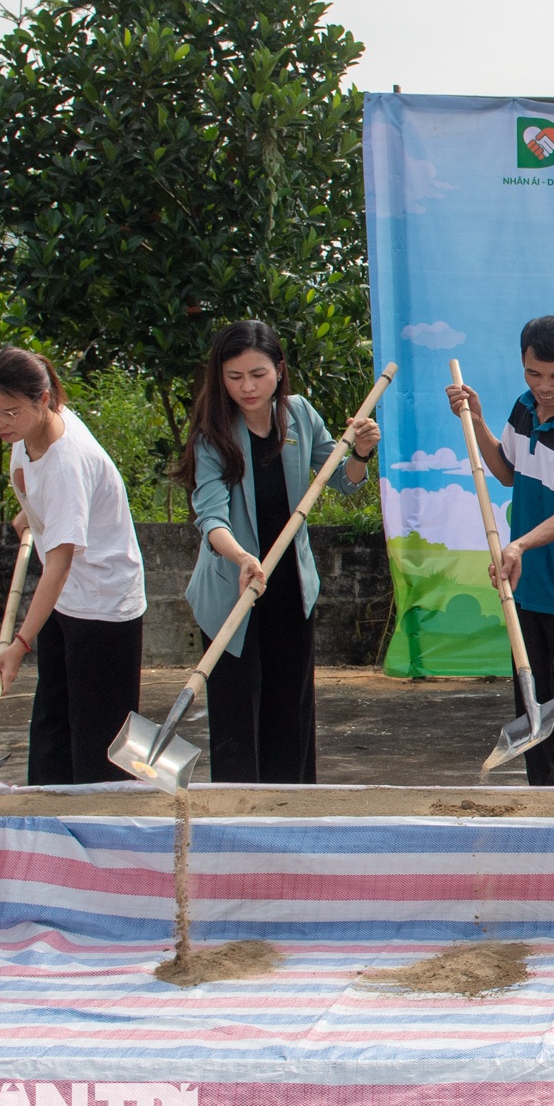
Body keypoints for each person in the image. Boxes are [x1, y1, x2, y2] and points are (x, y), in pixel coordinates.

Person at [177, 321, 380, 784]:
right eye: (233, 377)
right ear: (219, 377)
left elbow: (344, 482)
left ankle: (292, 810)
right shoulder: (213, 433)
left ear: (279, 370)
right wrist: (243, 558)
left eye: (258, 374)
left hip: (290, 585)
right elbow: (211, 518)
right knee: (236, 709)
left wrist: (361, 451)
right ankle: (237, 818)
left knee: (290, 705)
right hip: (235, 585)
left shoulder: (300, 415)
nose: (246, 387)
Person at [444, 315, 554, 785]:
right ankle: (539, 799)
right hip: (525, 587)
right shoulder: (523, 409)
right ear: (523, 365)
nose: (545, 387)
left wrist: (517, 544)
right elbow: (504, 471)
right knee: (531, 706)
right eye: (535, 374)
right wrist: (476, 420)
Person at [0, 347, 146, 785]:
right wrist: (32, 511)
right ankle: (48, 823)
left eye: (9, 412)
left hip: (104, 603)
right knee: (52, 721)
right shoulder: (33, 430)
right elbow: (42, 487)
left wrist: (18, 644)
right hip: (66, 598)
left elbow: (59, 564)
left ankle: (103, 835)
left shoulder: (68, 460)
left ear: (45, 399)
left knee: (98, 739)